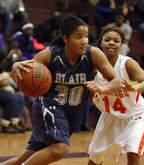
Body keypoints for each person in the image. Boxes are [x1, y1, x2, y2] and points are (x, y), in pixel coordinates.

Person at [1, 16, 122, 165]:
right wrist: (14, 67)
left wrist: (102, 88)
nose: (84, 41)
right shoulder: (50, 54)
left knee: (24, 158)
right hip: (49, 105)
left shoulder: (93, 54)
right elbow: (24, 71)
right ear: (66, 38)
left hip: (71, 113)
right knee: (60, 149)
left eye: (85, 36)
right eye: (78, 37)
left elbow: (116, 81)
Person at [85, 26, 144, 165]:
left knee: (133, 153)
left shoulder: (127, 64)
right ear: (101, 43)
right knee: (94, 159)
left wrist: (135, 87)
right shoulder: (92, 65)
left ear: (121, 45)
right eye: (108, 40)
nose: (112, 43)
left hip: (136, 116)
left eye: (116, 41)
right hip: (110, 117)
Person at [0, 59, 25, 133]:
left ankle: (14, 123)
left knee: (20, 98)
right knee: (13, 98)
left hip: (5, 91)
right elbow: (3, 82)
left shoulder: (4, 73)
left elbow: (9, 82)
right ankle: (6, 124)